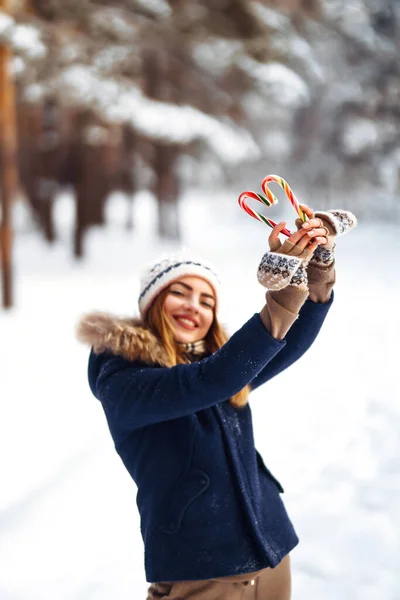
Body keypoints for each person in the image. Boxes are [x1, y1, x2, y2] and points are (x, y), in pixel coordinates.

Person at [77, 204, 357, 600]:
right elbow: (212, 380)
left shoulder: (216, 365)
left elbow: (286, 342)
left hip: (271, 547)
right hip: (200, 567)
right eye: (179, 292)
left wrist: (316, 267)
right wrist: (284, 292)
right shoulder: (124, 376)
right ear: (151, 304)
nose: (195, 305)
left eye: (207, 300)